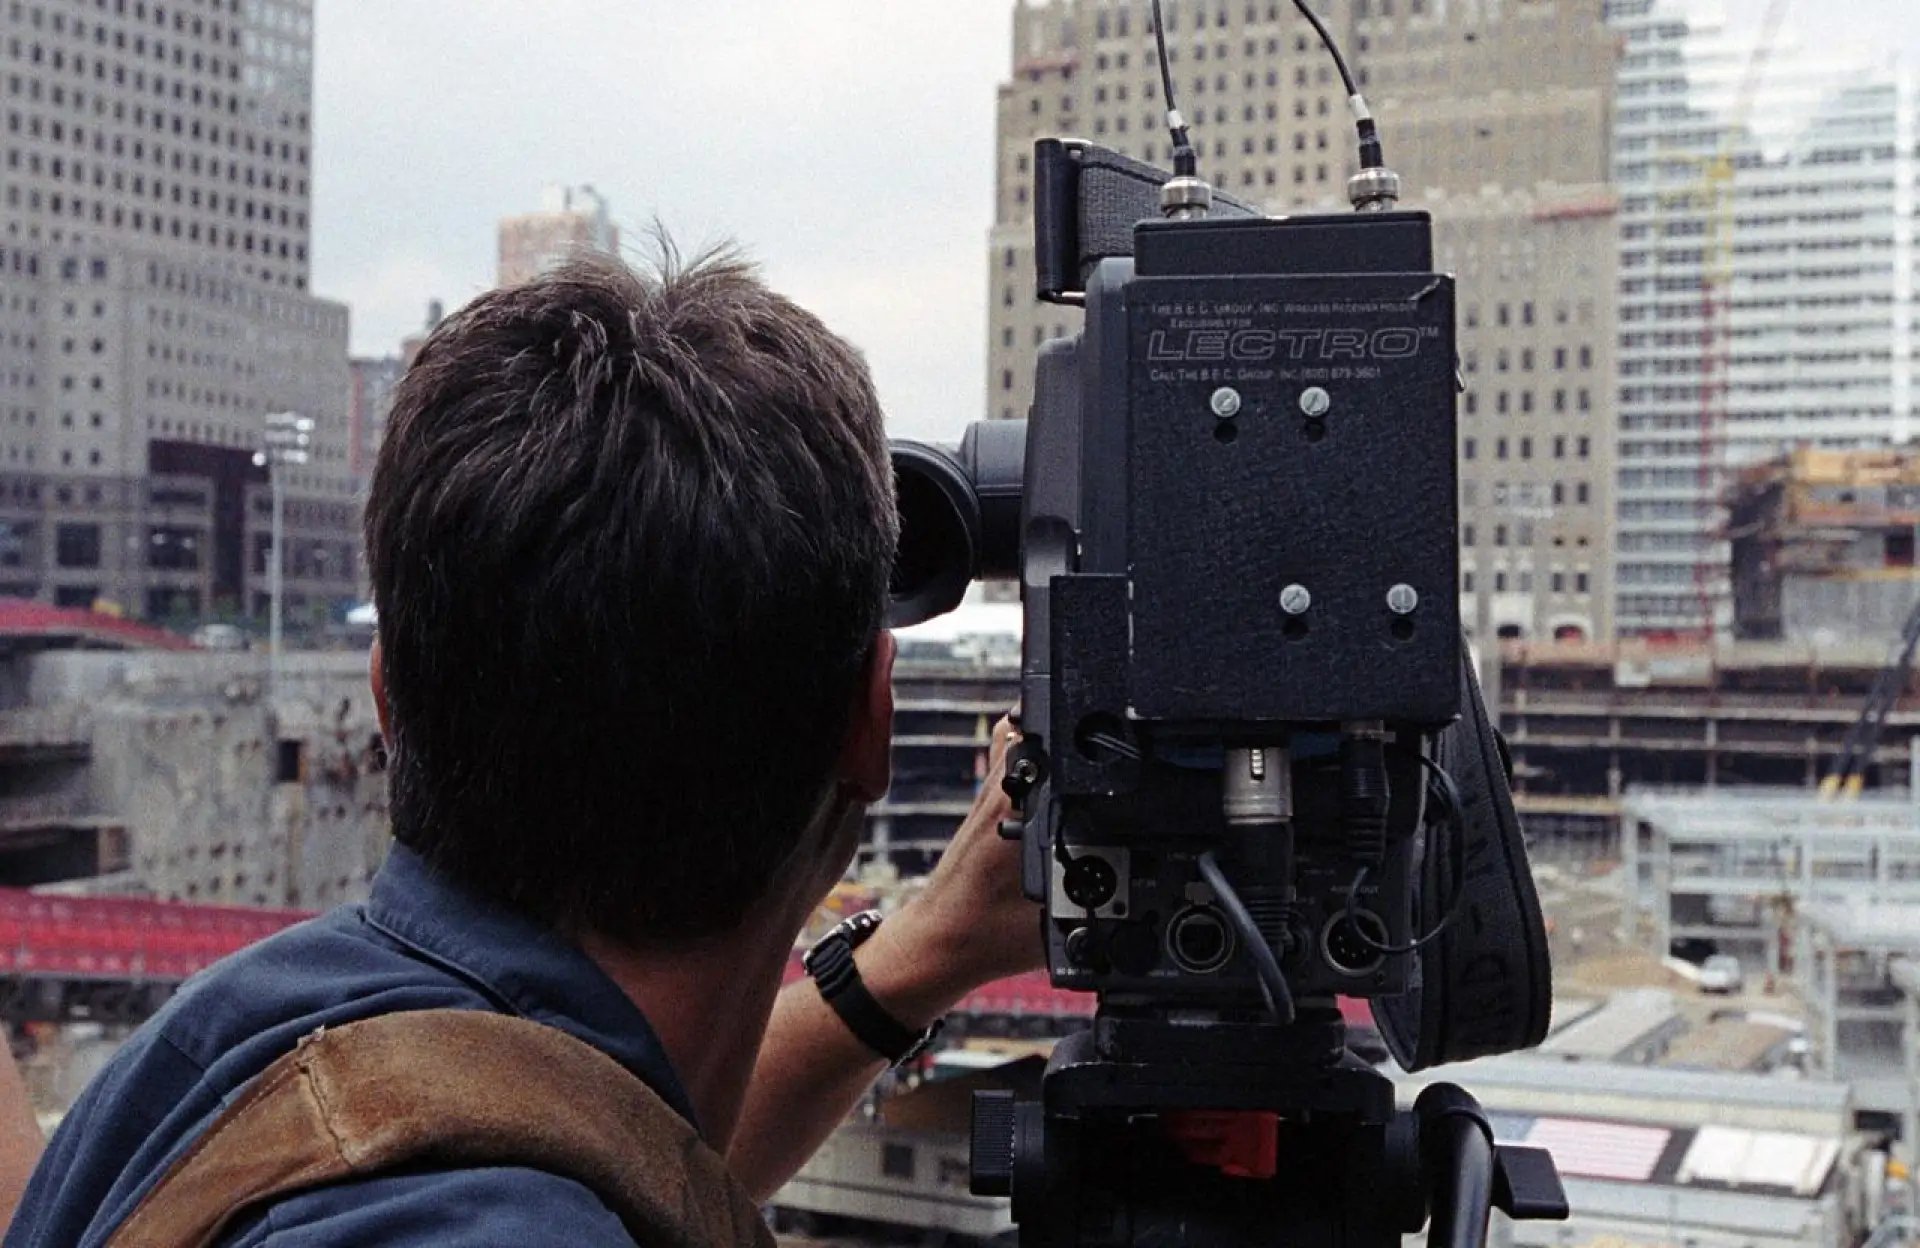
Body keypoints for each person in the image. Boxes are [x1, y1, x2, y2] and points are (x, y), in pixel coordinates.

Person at [3, 247, 1040, 1245]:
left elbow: (605, 1140)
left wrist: (920, 957)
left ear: (386, 701)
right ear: (872, 721)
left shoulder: (225, 1052)